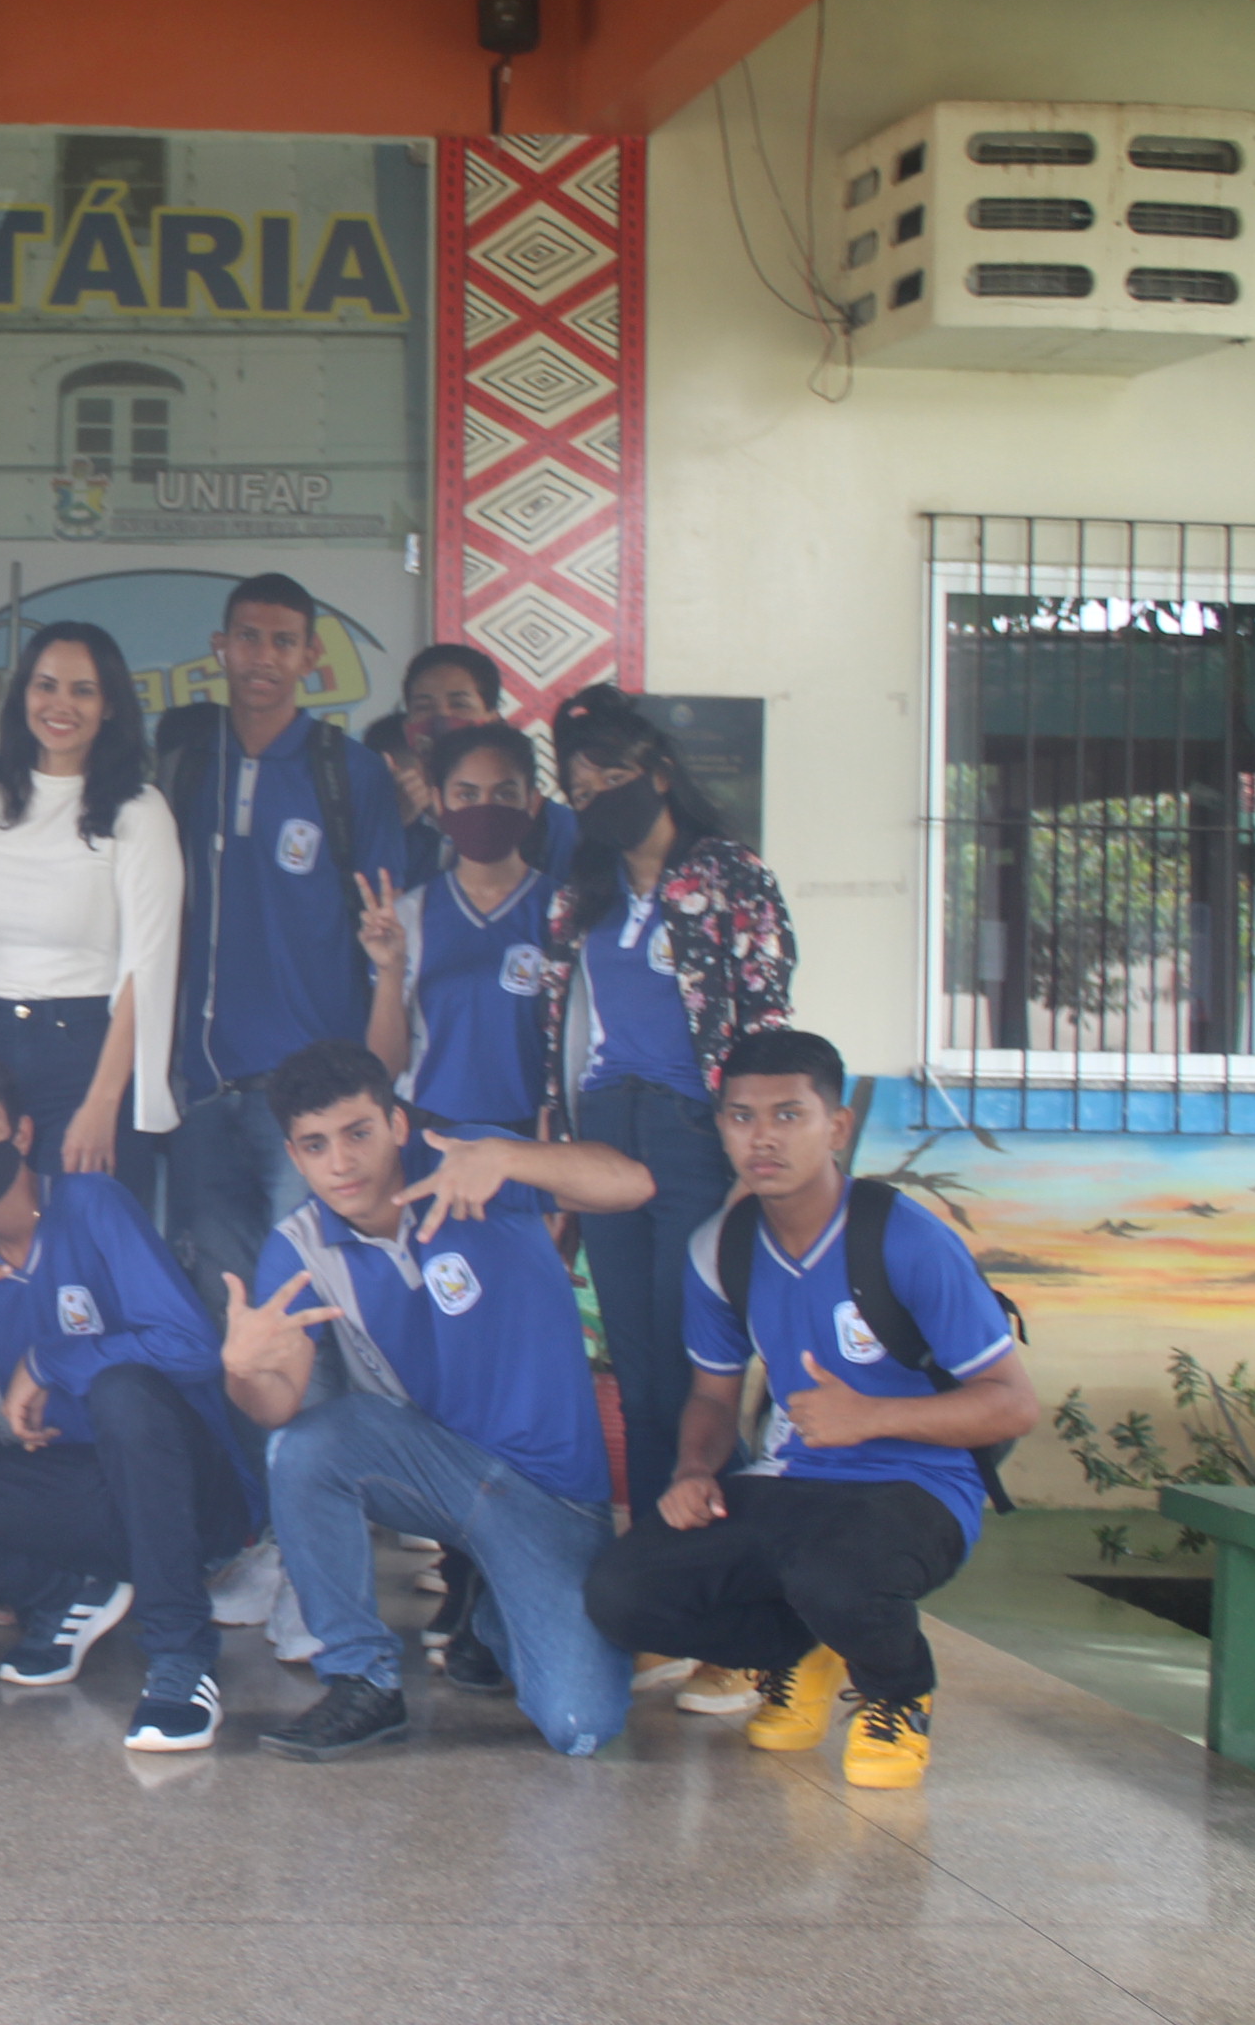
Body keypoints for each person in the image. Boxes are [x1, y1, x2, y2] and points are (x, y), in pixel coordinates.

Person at [586, 1030, 1034, 1791]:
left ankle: (897, 1693)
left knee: (836, 1571)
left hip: (920, 1491)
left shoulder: (906, 1239)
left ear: (837, 1127)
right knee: (623, 1591)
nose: (763, 1137)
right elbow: (711, 1394)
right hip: (794, 1479)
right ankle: (803, 1651)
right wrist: (695, 1469)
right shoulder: (718, 1250)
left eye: (789, 1115)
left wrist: (871, 1417)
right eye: (740, 1117)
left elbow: (1012, 1404)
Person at [223, 1039, 656, 1763]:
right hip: (437, 1471)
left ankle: (495, 1619)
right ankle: (363, 1680)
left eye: (358, 1132)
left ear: (396, 1123)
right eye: (316, 1145)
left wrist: (510, 1157)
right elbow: (277, 1408)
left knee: (580, 1727)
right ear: (295, 1158)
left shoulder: (472, 1162)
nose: (341, 1162)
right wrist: (241, 1369)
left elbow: (632, 1185)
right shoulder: (297, 1245)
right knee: (300, 1448)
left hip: (552, 1493)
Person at [0, 1049, 264, 1751]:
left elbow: (192, 1347)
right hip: (79, 1496)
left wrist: (51, 1361)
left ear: (20, 1134)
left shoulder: (91, 1204)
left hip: (189, 1490)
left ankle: (180, 1658)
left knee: (124, 1391)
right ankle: (68, 1592)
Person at [542, 682, 796, 1518]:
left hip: (693, 1131)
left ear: (656, 770)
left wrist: (751, 1161)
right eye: (578, 793)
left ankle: (712, 1544)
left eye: (608, 778)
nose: (594, 801)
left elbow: (764, 1025)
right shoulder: (583, 893)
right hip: (607, 1128)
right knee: (635, 1362)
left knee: (694, 1356)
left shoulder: (733, 876)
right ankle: (659, 1546)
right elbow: (559, 1028)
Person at [154, 574, 406, 1283]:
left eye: (283, 642)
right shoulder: (185, 763)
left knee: (314, 1299)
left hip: (309, 1106)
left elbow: (386, 942)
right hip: (201, 1092)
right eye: (249, 637)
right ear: (220, 648)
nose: (264, 656)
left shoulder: (347, 772)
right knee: (222, 1306)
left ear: (309, 656)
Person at [0, 618, 180, 1203]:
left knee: (83, 1242)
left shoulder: (139, 811)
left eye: (83, 690)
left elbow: (145, 968)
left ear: (111, 707)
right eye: (46, 685)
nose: (60, 704)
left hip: (87, 1051)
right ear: (22, 693)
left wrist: (102, 1103)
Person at [357, 723, 554, 1137]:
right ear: (438, 802)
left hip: (531, 1139)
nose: (485, 807)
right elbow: (385, 1067)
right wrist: (390, 969)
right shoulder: (409, 913)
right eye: (467, 794)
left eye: (504, 793)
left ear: (532, 803)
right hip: (430, 1132)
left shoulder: (563, 912)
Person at [388, 646, 574, 886]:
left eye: (460, 704)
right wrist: (392, 826)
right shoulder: (394, 818)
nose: (441, 719)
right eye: (424, 707)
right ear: (408, 726)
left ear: (493, 720)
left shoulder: (553, 827)